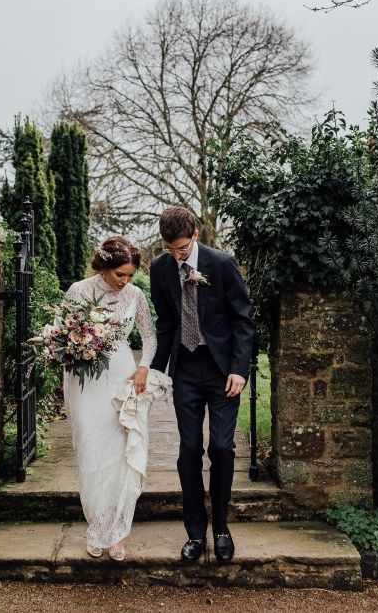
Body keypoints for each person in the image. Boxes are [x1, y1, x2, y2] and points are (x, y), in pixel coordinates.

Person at [149, 206, 254, 563]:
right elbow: (165, 325)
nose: (176, 256)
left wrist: (240, 369)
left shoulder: (222, 263)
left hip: (223, 370)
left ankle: (221, 527)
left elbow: (243, 319)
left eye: (181, 249)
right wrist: (156, 372)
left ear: (195, 234)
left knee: (222, 449)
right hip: (186, 370)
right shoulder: (159, 269)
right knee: (189, 451)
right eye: (170, 249)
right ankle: (195, 532)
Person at [63, 236, 156, 562]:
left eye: (130, 275)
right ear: (104, 267)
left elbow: (150, 338)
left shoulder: (136, 296)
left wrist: (144, 367)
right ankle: (96, 527)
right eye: (121, 275)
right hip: (85, 380)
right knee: (91, 451)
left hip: (121, 377)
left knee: (119, 456)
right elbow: (64, 334)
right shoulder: (78, 291)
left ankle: (115, 534)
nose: (126, 281)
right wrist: (74, 347)